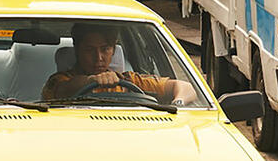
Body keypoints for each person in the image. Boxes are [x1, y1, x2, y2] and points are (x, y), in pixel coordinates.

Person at [41, 23, 197, 105]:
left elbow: (186, 87)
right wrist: (91, 81)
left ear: (113, 50)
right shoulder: (58, 81)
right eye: (89, 50)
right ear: (77, 50)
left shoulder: (129, 81)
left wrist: (178, 103)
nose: (98, 57)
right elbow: (63, 90)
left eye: (105, 49)